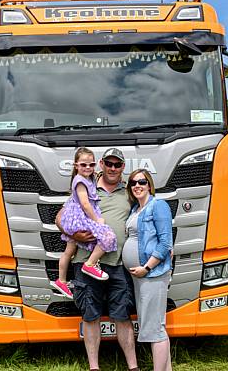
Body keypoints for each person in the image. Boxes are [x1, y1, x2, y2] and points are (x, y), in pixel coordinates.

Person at [56, 148, 138, 371]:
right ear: (101, 164)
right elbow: (60, 218)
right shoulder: (86, 186)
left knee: (123, 315)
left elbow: (147, 215)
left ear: (122, 167)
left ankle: (133, 366)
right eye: (108, 164)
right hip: (85, 262)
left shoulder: (130, 191)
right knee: (90, 316)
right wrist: (74, 234)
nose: (112, 168)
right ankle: (94, 367)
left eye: (117, 164)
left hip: (118, 264)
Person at [123, 169, 173, 371]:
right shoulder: (135, 209)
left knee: (154, 327)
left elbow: (165, 243)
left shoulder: (158, 206)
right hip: (141, 277)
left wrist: (146, 267)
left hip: (152, 274)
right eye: (133, 183)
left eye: (142, 182)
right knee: (155, 324)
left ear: (149, 185)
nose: (137, 185)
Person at [51, 147, 117, 298]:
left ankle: (61, 281)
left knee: (69, 251)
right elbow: (85, 204)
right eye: (83, 165)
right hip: (80, 218)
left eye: (91, 165)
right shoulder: (80, 181)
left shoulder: (88, 179)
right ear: (75, 166)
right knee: (108, 236)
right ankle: (90, 264)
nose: (88, 168)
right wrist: (97, 220)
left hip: (73, 217)